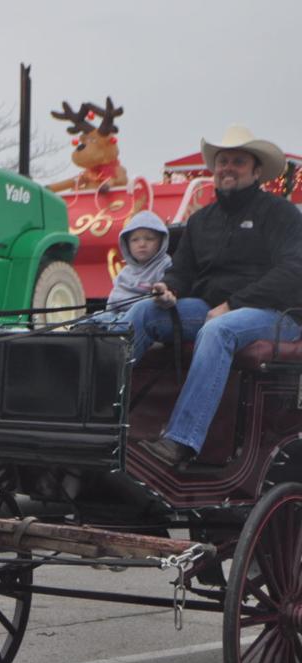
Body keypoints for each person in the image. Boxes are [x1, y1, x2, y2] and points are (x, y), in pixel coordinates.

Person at [128, 125, 302, 466]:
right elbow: (183, 270)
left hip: (276, 314)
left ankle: (182, 440)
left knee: (218, 331)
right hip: (211, 308)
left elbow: (292, 272)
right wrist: (169, 289)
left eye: (238, 161)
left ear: (256, 172)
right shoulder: (201, 220)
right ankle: (106, 414)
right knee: (142, 314)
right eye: (223, 161)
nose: (227, 168)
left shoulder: (280, 214)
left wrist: (232, 305)